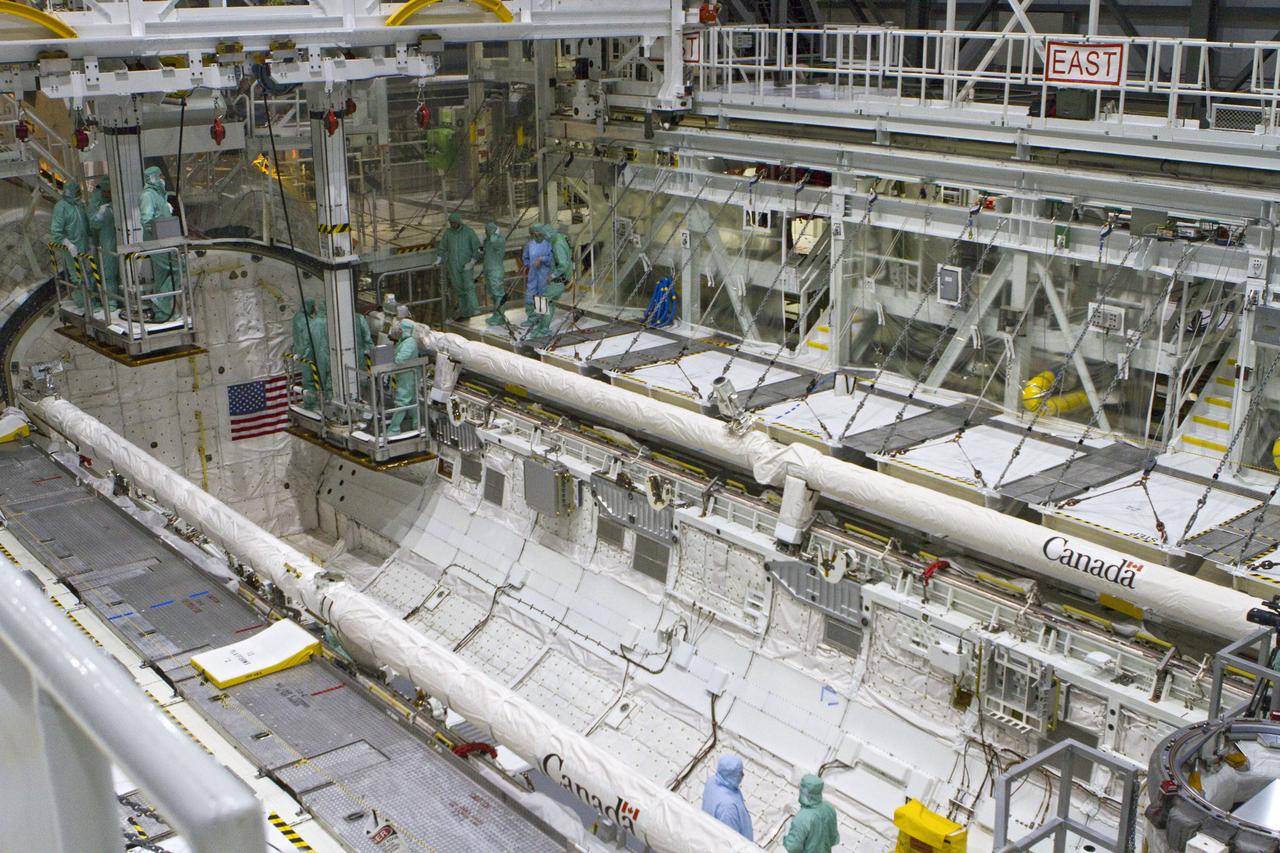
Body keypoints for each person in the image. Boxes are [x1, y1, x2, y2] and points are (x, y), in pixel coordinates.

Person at [140, 165, 179, 321]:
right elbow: (147, 220)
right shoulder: (147, 196)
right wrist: (161, 229)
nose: (163, 179)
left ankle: (162, 313)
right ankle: (160, 300)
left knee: (162, 276)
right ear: (154, 178)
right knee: (178, 269)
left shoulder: (158, 195)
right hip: (157, 241)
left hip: (164, 239)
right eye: (161, 176)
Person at [50, 179, 91, 308]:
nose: (80, 194)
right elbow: (56, 232)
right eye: (78, 192)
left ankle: (90, 301)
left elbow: (85, 224)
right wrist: (68, 244)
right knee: (77, 276)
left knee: (88, 274)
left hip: (84, 245)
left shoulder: (78, 205)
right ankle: (83, 303)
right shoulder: (61, 207)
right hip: (71, 248)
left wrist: (91, 240)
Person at [435, 212, 481, 321]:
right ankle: (465, 312)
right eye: (451, 223)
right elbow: (443, 247)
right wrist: (438, 259)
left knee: (469, 287)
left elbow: (477, 248)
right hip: (453, 265)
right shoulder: (448, 233)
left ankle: (474, 309)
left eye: (454, 223)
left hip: (466, 265)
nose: (453, 225)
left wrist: (472, 261)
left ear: (459, 222)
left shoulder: (469, 232)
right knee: (459, 288)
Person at [87, 176, 121, 310]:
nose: (107, 194)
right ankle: (112, 301)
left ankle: (118, 299)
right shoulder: (100, 204)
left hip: (119, 241)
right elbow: (94, 223)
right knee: (108, 272)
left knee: (120, 272)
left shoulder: (118, 203)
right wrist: (100, 213)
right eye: (105, 192)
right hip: (107, 242)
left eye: (109, 191)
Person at [701, 755, 754, 841]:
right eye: (739, 773)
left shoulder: (713, 781)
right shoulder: (727, 808)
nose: (743, 775)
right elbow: (730, 842)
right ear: (731, 775)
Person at [783, 775, 840, 853]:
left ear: (804, 791)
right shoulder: (829, 808)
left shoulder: (802, 819)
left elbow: (792, 848)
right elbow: (834, 839)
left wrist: (786, 833)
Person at [386, 319, 419, 436]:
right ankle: (416, 424)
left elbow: (400, 359)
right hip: (406, 374)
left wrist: (393, 359)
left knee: (402, 401)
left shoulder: (409, 342)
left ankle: (394, 429)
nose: (398, 331)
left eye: (400, 329)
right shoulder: (404, 341)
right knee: (412, 400)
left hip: (407, 376)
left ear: (404, 330)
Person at [521, 224, 553, 338]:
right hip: (533, 274)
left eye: (538, 233)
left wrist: (542, 259)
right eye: (534, 234)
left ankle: (541, 321)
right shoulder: (530, 244)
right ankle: (532, 318)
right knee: (530, 296)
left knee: (541, 297)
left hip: (544, 275)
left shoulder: (548, 244)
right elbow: (525, 256)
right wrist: (526, 265)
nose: (536, 236)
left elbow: (552, 258)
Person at [292, 298, 322, 409]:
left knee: (308, 378)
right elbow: (307, 338)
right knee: (310, 379)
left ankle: (310, 402)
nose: (314, 308)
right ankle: (312, 403)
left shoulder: (298, 317)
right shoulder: (304, 320)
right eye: (313, 306)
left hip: (303, 352)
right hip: (307, 352)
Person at [477, 221, 508, 326]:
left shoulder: (498, 240)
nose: (486, 233)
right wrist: (481, 248)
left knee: (498, 294)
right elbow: (484, 254)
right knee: (493, 294)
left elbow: (495, 242)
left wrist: (494, 234)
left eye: (488, 231)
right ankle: (496, 314)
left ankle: (500, 316)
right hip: (488, 270)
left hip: (495, 271)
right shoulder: (488, 241)